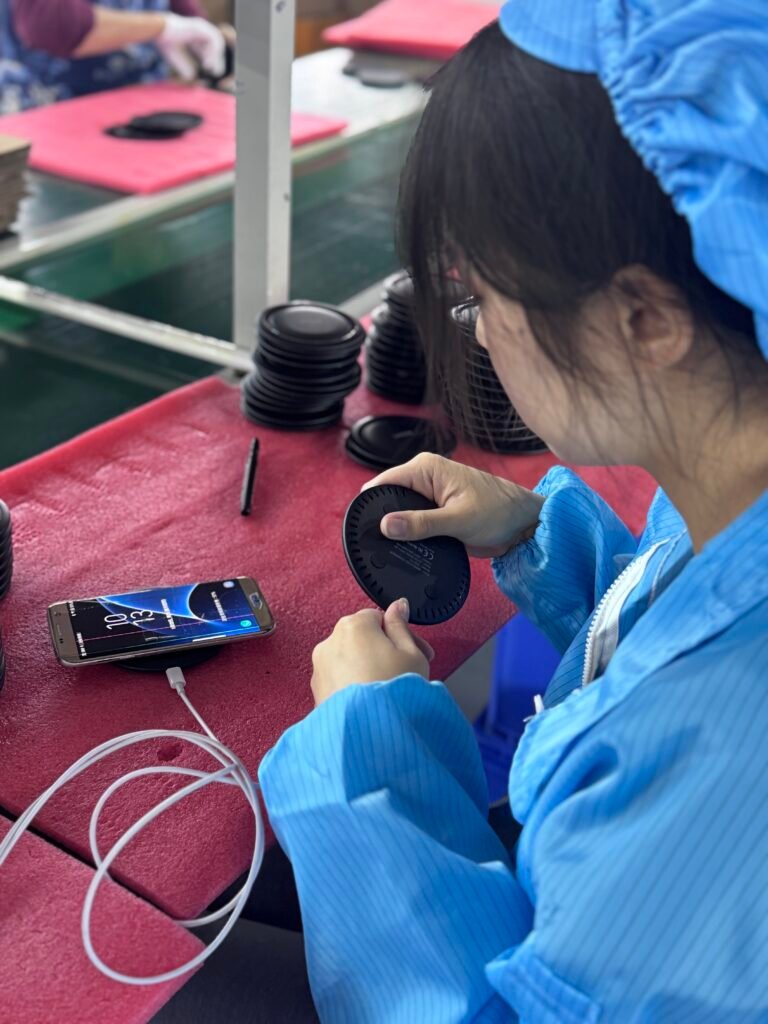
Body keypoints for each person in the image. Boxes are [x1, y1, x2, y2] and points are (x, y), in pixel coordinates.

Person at [255, 1, 768, 1021]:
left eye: (483, 297)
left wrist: (368, 756)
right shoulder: (732, 485)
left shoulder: (721, 763)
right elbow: (688, 616)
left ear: (645, 318)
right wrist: (539, 534)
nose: (480, 335)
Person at [0, 0, 225, 114]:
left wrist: (195, 26)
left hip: (140, 102)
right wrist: (163, 27)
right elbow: (51, 24)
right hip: (48, 109)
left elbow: (179, 10)